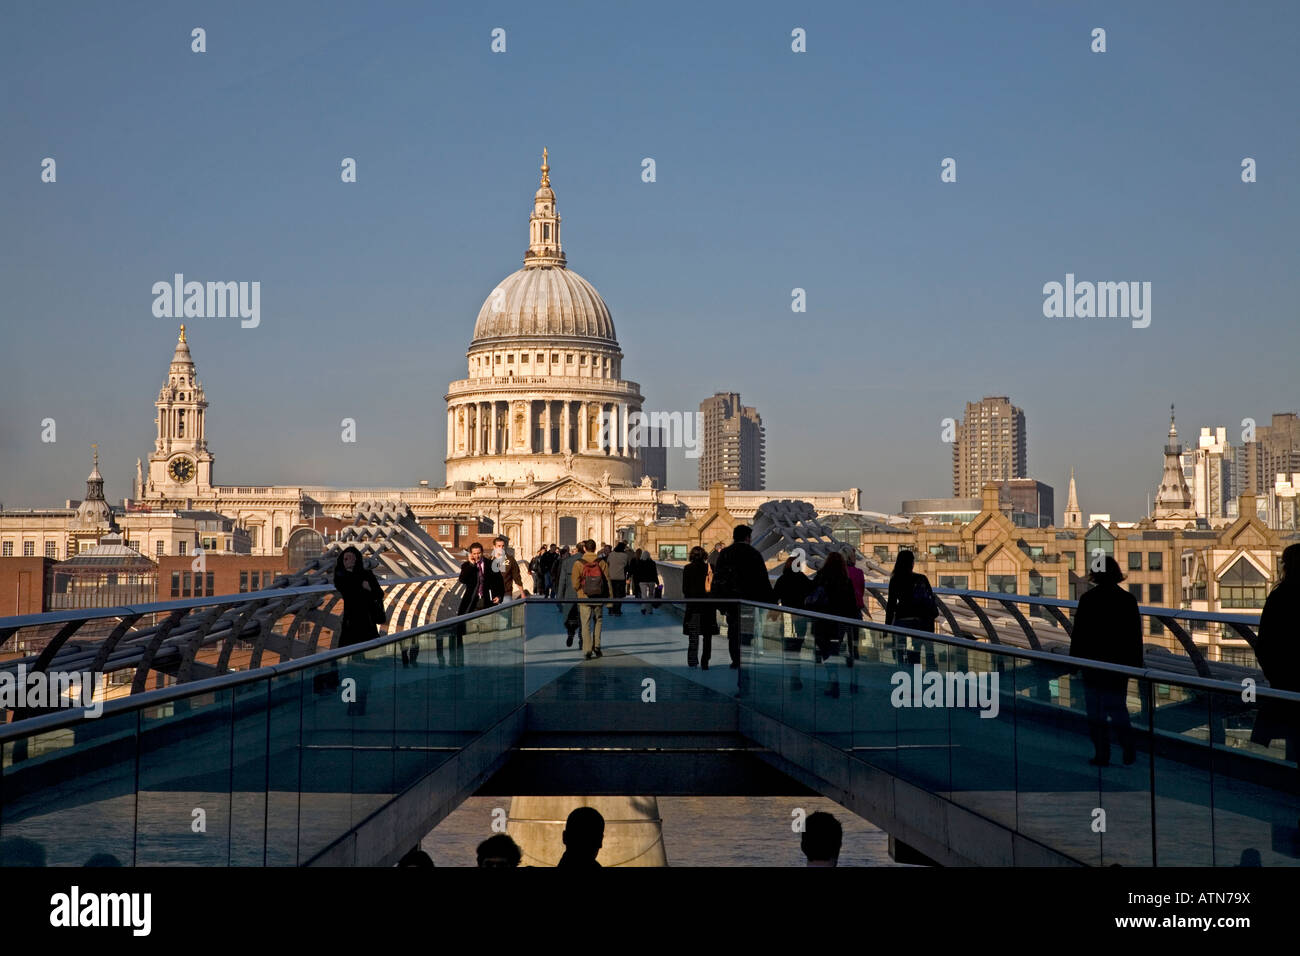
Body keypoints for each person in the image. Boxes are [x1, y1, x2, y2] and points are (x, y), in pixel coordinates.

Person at [1069, 556, 1143, 767]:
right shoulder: (1127, 600)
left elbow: (1079, 634)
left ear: (1095, 575)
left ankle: (1102, 753)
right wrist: (1135, 666)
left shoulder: (1088, 599)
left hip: (1093, 664)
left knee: (1095, 710)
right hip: (1118, 665)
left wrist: (1074, 663)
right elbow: (1134, 636)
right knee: (1118, 707)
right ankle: (1128, 747)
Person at [1251, 543, 1300, 769]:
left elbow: (1265, 643)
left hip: (1284, 680)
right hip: (1288, 678)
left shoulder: (1279, 597)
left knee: (1293, 735)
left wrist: (1275, 676)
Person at [711, 525, 775, 671]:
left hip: (731, 602)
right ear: (747, 537)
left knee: (733, 631)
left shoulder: (725, 553)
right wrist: (771, 603)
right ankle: (744, 660)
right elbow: (762, 581)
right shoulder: (754, 554)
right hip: (749, 602)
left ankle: (735, 660)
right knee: (746, 632)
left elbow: (718, 578)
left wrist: (719, 603)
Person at [806, 551, 858, 698]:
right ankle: (833, 681)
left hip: (821, 621)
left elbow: (810, 594)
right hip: (839, 623)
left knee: (826, 651)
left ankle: (832, 679)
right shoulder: (845, 581)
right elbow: (851, 604)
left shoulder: (821, 577)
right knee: (834, 650)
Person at [885, 549, 939, 668]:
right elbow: (930, 598)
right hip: (922, 621)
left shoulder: (895, 580)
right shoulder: (921, 578)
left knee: (901, 650)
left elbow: (891, 604)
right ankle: (929, 677)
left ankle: (904, 673)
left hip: (902, 620)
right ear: (912, 563)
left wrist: (886, 626)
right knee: (924, 650)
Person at [453, 543, 504, 666]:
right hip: (471, 603)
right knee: (467, 631)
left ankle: (485, 657)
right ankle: (468, 658)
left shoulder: (491, 564)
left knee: (487, 631)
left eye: (478, 553)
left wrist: (499, 596)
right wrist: (471, 564)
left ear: (482, 552)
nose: (476, 556)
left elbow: (499, 582)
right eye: (474, 554)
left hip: (486, 601)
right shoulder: (467, 565)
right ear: (471, 554)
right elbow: (462, 579)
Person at [333, 546, 385, 647]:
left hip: (368, 619)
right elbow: (344, 588)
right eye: (345, 558)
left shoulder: (367, 574)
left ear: (357, 559)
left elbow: (379, 594)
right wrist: (362, 585)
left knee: (370, 648)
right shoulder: (340, 576)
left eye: (351, 557)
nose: (347, 561)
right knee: (346, 650)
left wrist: (369, 588)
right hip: (351, 620)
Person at [571, 540, 610, 659]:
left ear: (585, 549)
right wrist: (609, 600)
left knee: (585, 623)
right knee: (598, 620)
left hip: (584, 597)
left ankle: (587, 649)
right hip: (598, 596)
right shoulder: (602, 562)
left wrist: (580, 591)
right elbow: (607, 582)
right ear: (595, 548)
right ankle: (597, 646)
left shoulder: (578, 563)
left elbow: (575, 583)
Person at [682, 546, 718, 668]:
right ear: (705, 556)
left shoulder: (687, 569)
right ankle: (705, 661)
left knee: (693, 635)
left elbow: (685, 589)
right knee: (707, 636)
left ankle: (692, 661)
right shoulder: (710, 568)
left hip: (693, 607)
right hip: (708, 607)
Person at [555, 544, 584, 646]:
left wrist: (559, 597)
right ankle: (581, 639)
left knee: (570, 616)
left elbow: (562, 581)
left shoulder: (567, 562)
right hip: (584, 594)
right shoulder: (590, 561)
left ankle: (570, 633)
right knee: (583, 618)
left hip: (570, 593)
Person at [492, 535, 529, 601]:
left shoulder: (510, 560)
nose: (501, 548)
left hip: (506, 593)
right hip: (494, 595)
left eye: (503, 546)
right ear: (494, 547)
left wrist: (522, 593)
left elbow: (517, 577)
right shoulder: (490, 561)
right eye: (499, 546)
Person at [606, 541, 630, 616]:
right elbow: (626, 566)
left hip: (611, 577)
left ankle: (611, 609)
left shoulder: (611, 554)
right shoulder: (625, 556)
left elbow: (608, 564)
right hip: (621, 578)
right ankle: (617, 610)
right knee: (619, 595)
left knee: (611, 594)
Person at [634, 549, 660, 614]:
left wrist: (637, 581)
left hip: (642, 581)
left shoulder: (639, 563)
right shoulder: (652, 563)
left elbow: (637, 573)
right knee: (651, 595)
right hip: (651, 581)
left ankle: (643, 608)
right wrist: (657, 582)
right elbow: (655, 573)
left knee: (644, 595)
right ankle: (650, 610)